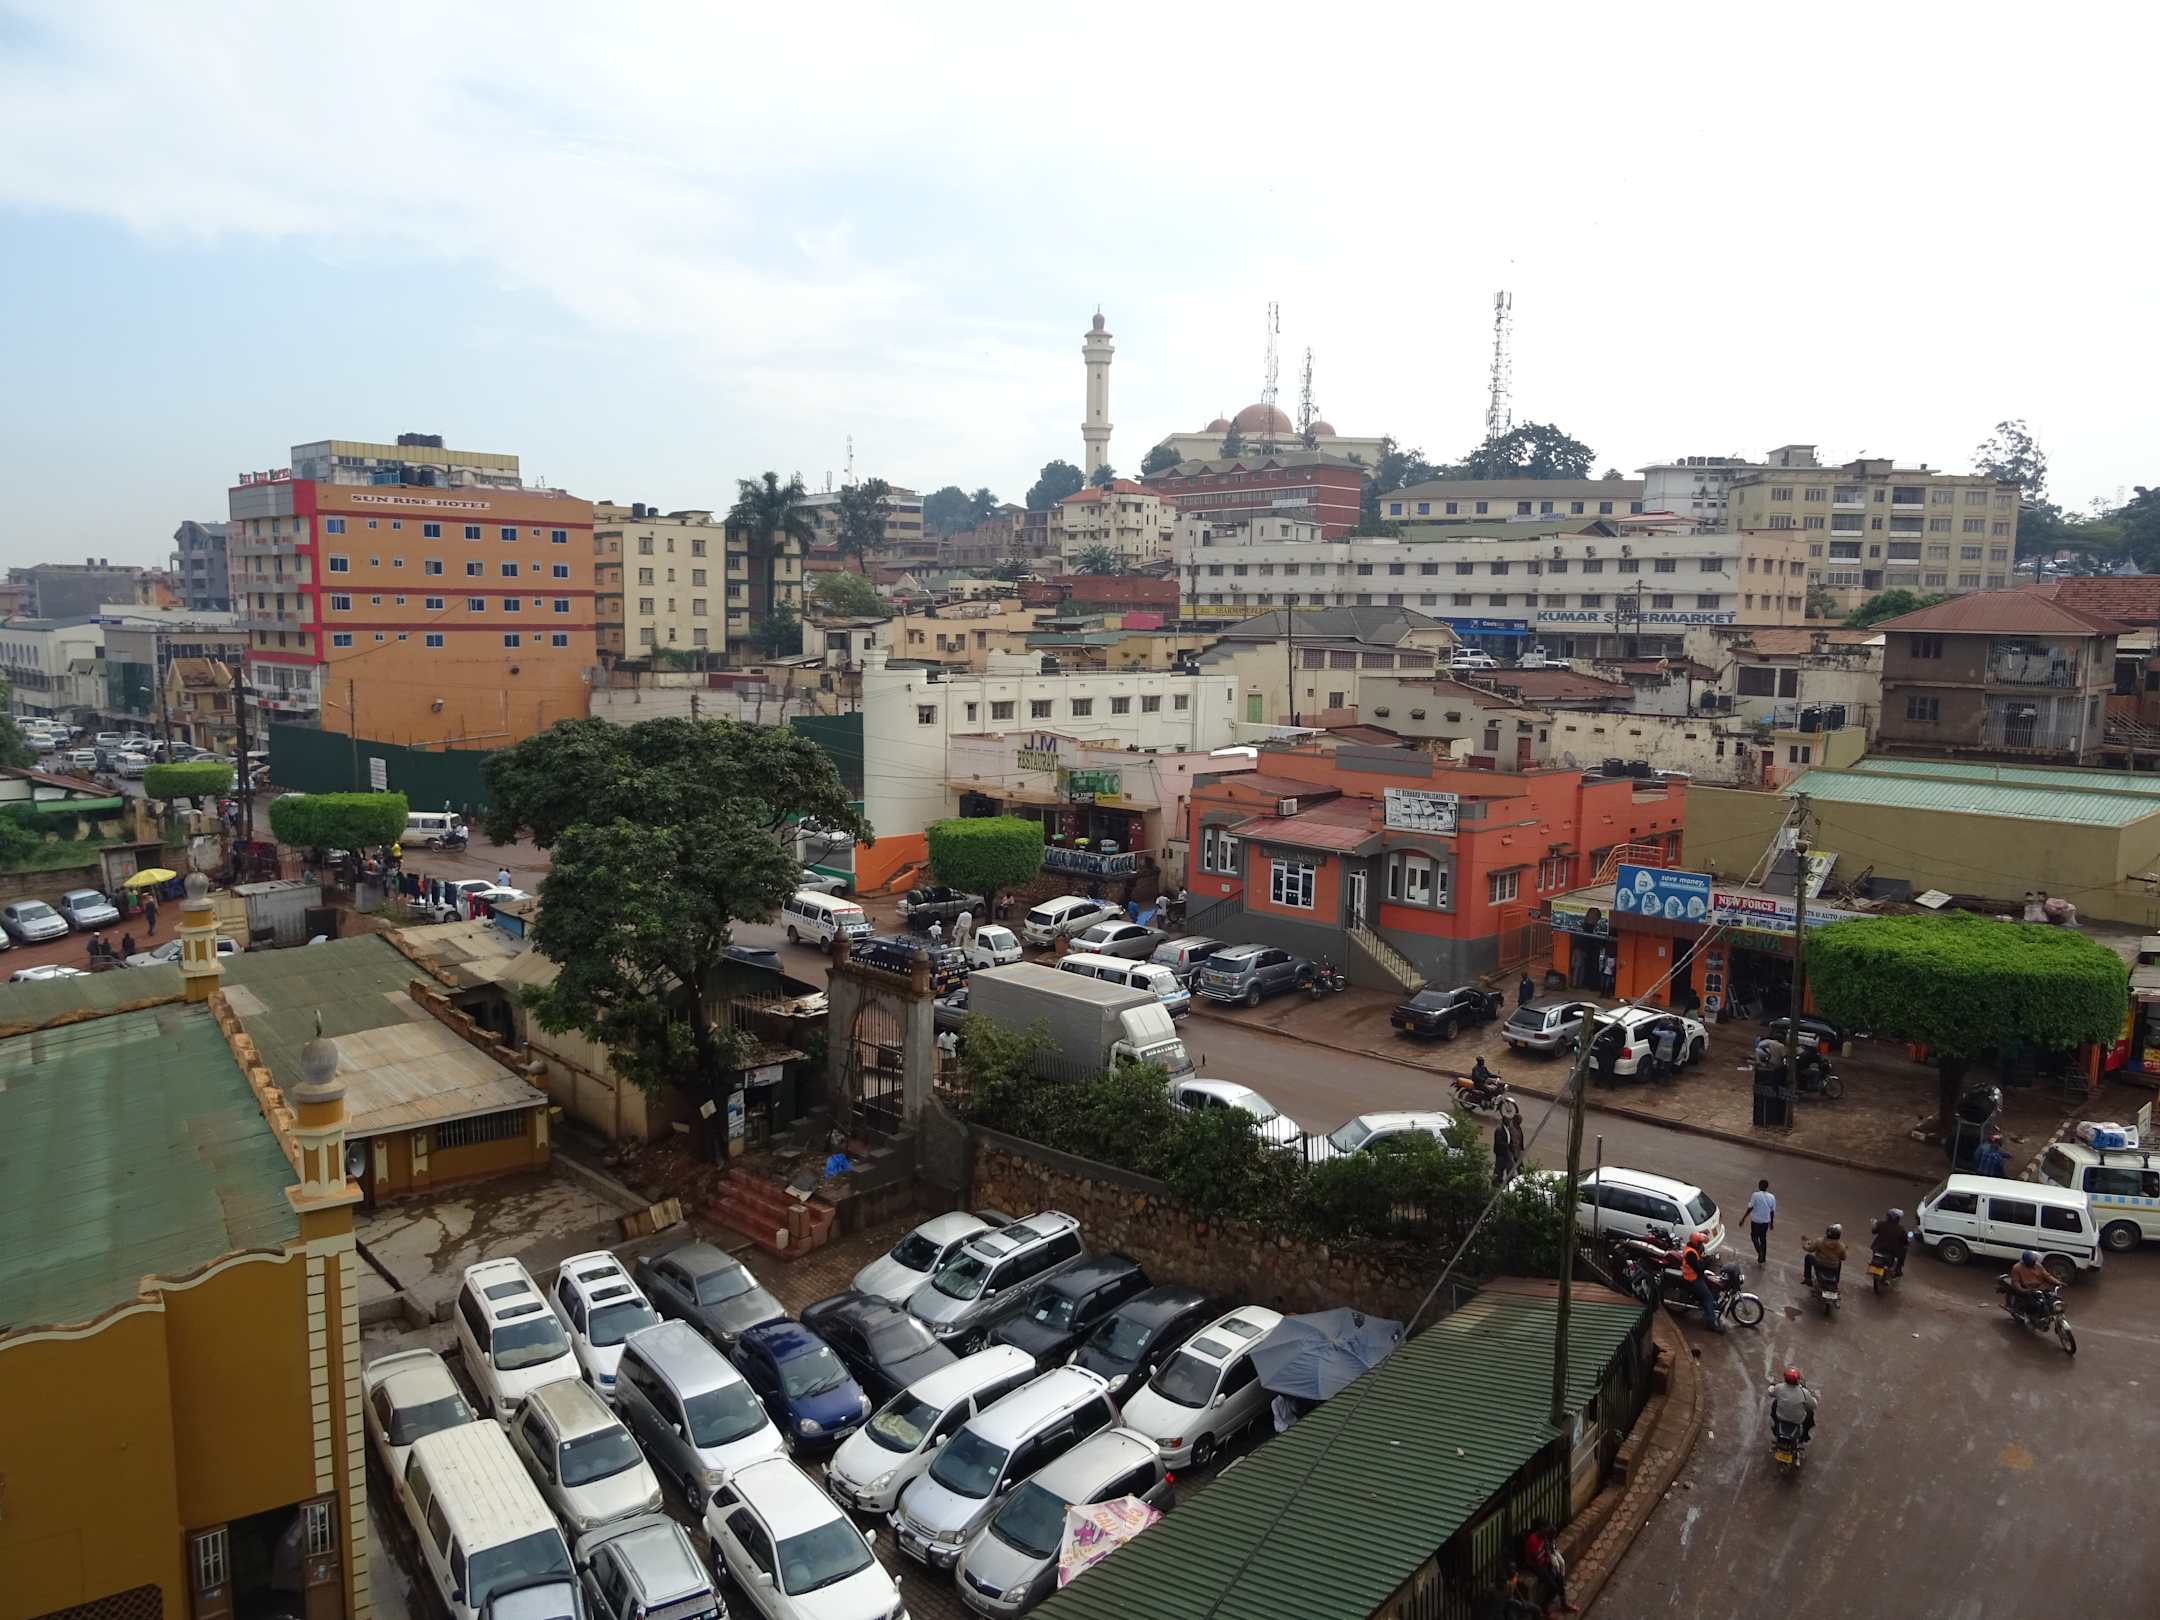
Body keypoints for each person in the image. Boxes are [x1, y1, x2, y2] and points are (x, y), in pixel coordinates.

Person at [1518, 1522, 1577, 1615]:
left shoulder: (1543, 1537)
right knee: (1553, 1587)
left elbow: (1547, 1551)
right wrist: (1546, 1562)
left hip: (1544, 1563)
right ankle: (1544, 1607)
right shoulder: (1533, 1541)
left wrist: (1549, 1561)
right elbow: (1536, 1559)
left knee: (1559, 1578)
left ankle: (1564, 1603)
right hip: (1536, 1566)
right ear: (1541, 1529)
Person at [1680, 1230, 1724, 1332]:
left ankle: (1709, 1308)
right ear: (1696, 1242)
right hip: (1692, 1278)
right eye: (1700, 1242)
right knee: (1708, 1297)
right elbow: (1699, 1268)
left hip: (1696, 1275)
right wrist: (1706, 1260)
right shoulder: (1690, 1253)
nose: (1701, 1244)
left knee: (1712, 1285)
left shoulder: (1694, 1248)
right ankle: (1711, 1323)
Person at [1768, 1366, 1818, 1443]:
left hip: (1780, 1418)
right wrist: (1814, 1398)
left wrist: (1771, 1385)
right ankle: (1805, 1435)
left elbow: (1771, 1393)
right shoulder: (1804, 1392)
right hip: (1797, 1421)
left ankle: (1775, 1425)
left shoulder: (1779, 1387)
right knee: (1810, 1412)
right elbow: (1813, 1406)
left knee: (1775, 1402)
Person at [2003, 1249, 2056, 1314]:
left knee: (2050, 1299)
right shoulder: (2017, 1268)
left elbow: (2047, 1275)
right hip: (2025, 1288)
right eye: (2031, 1262)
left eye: (2033, 1261)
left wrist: (2057, 1282)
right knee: (2035, 1304)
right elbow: (2016, 1282)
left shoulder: (2038, 1266)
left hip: (2037, 1288)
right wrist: (2023, 1290)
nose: (2033, 1263)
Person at [1801, 1224, 1846, 1289]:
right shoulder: (1842, 1246)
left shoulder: (1819, 1241)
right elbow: (1843, 1258)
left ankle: (1807, 1279)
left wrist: (1804, 1244)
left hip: (1820, 1264)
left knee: (1808, 1257)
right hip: (1833, 1267)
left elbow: (1810, 1249)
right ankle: (1836, 1282)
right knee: (1839, 1262)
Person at [1744, 1178, 1776, 1266]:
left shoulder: (1755, 1195)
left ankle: (1760, 1252)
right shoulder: (1772, 1197)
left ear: (1760, 1186)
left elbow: (1750, 1207)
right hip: (1765, 1221)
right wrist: (1771, 1223)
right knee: (1763, 1238)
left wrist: (1743, 1218)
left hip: (1756, 1221)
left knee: (1754, 1236)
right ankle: (1763, 1257)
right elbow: (1772, 1211)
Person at [1870, 1208, 1910, 1274]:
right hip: (1891, 1251)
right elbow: (1905, 1241)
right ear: (1897, 1219)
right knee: (1904, 1250)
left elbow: (1873, 1231)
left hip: (1878, 1248)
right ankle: (1898, 1269)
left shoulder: (1881, 1224)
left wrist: (1874, 1225)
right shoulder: (1901, 1229)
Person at [1493, 1118, 1518, 1184]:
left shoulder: (1508, 1129)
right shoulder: (1499, 1130)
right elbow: (1498, 1141)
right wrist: (1507, 1145)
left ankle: (1508, 1180)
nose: (1510, 1122)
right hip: (1500, 1152)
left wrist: (1512, 1147)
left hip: (1507, 1151)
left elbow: (1509, 1139)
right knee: (1499, 1167)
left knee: (1510, 1165)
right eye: (1508, 1120)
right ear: (1504, 1121)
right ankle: (1496, 1182)